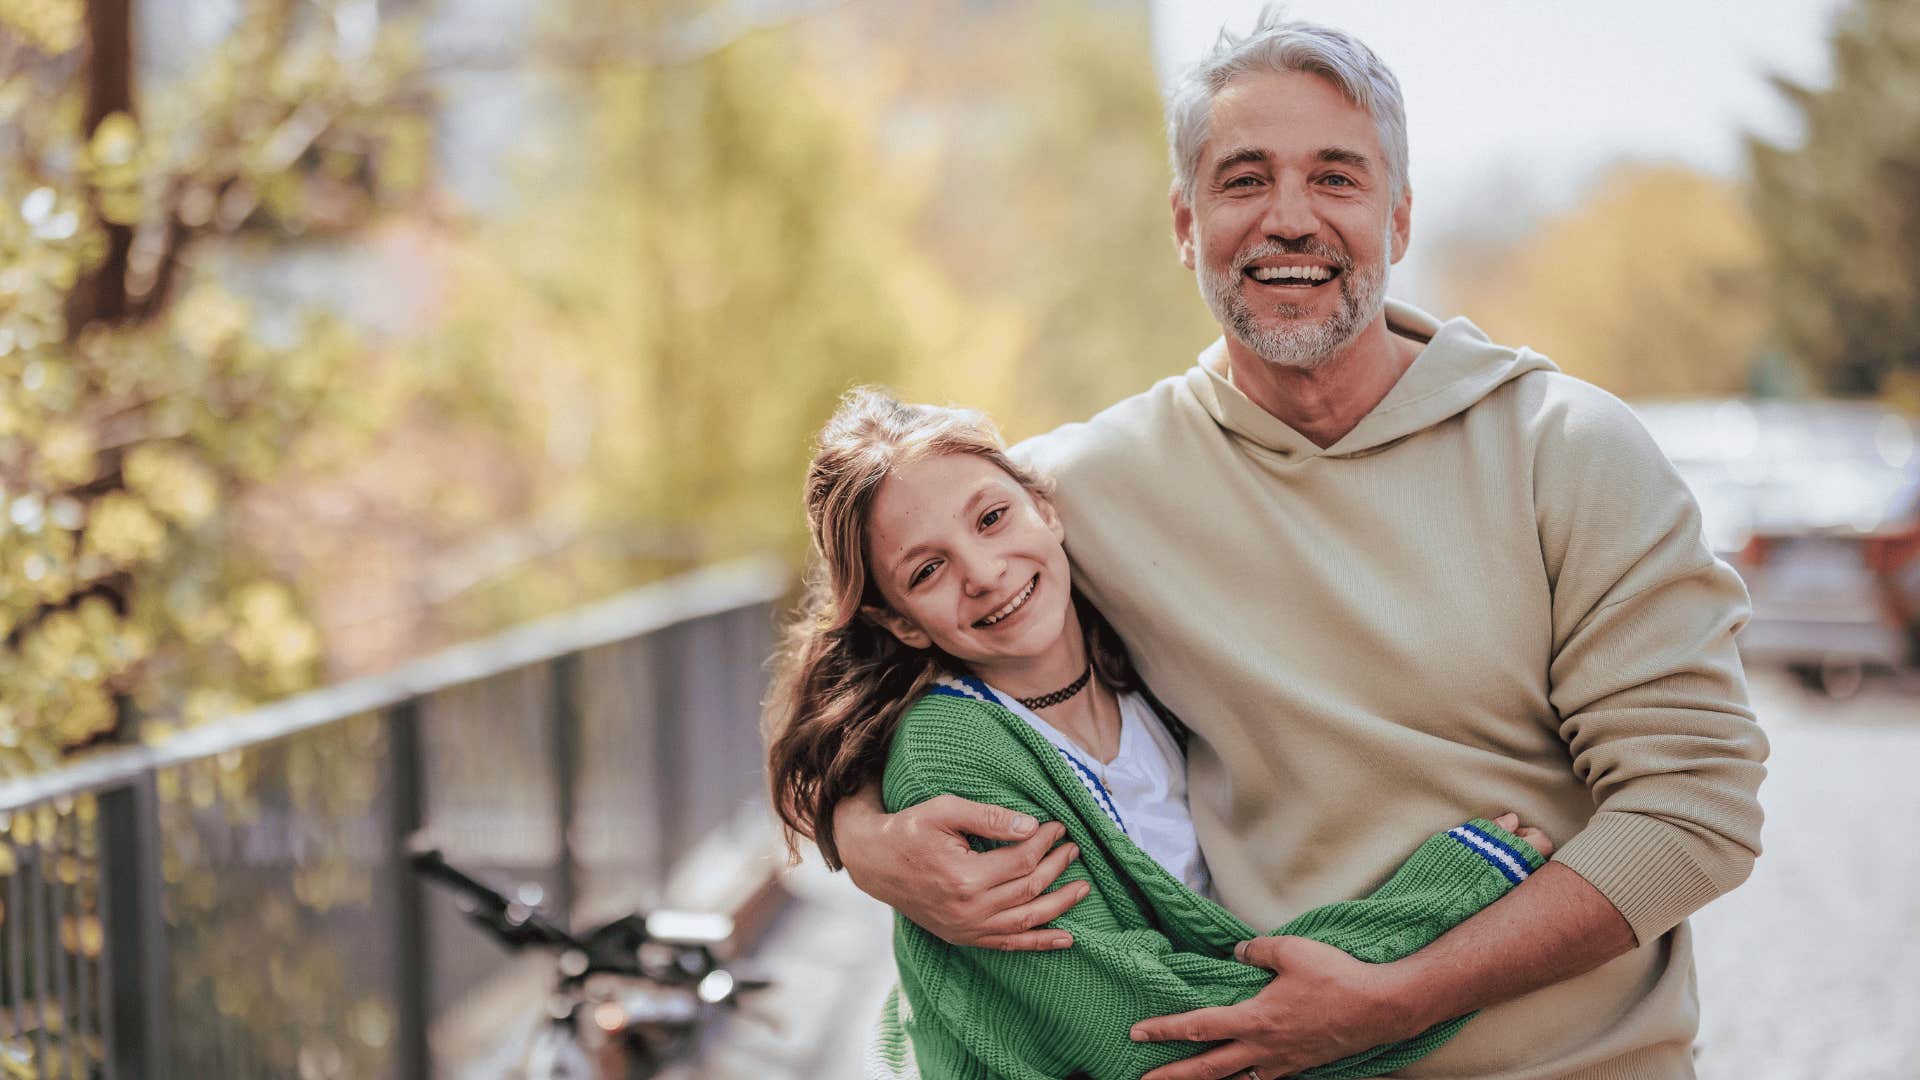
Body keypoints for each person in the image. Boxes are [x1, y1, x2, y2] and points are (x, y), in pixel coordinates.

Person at [827, 11, 1769, 1080]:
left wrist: (1397, 1001)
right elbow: (858, 634)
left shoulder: (1568, 450)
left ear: (1399, 217)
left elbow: (1695, 810)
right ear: (1185, 225)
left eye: (1335, 178)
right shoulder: (1081, 491)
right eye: (1243, 181)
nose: (1288, 220)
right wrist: (870, 845)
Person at [765, 387, 1558, 1079]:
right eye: (927, 571)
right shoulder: (955, 760)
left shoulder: (1150, 658)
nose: (983, 570)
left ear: (1045, 505)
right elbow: (1152, 1034)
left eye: (993, 516)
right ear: (900, 622)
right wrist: (1449, 898)